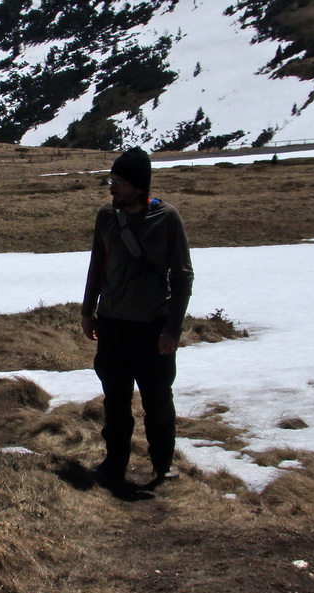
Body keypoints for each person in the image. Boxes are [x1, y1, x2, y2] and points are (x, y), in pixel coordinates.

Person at [80, 147, 194, 486]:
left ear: (139, 186)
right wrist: (88, 312)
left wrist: (173, 328)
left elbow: (183, 275)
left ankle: (163, 464)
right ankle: (114, 464)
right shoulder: (105, 216)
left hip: (153, 328)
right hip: (113, 326)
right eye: (110, 180)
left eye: (119, 182)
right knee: (115, 401)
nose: (112, 188)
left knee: (158, 401)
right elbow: (96, 265)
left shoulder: (167, 218)